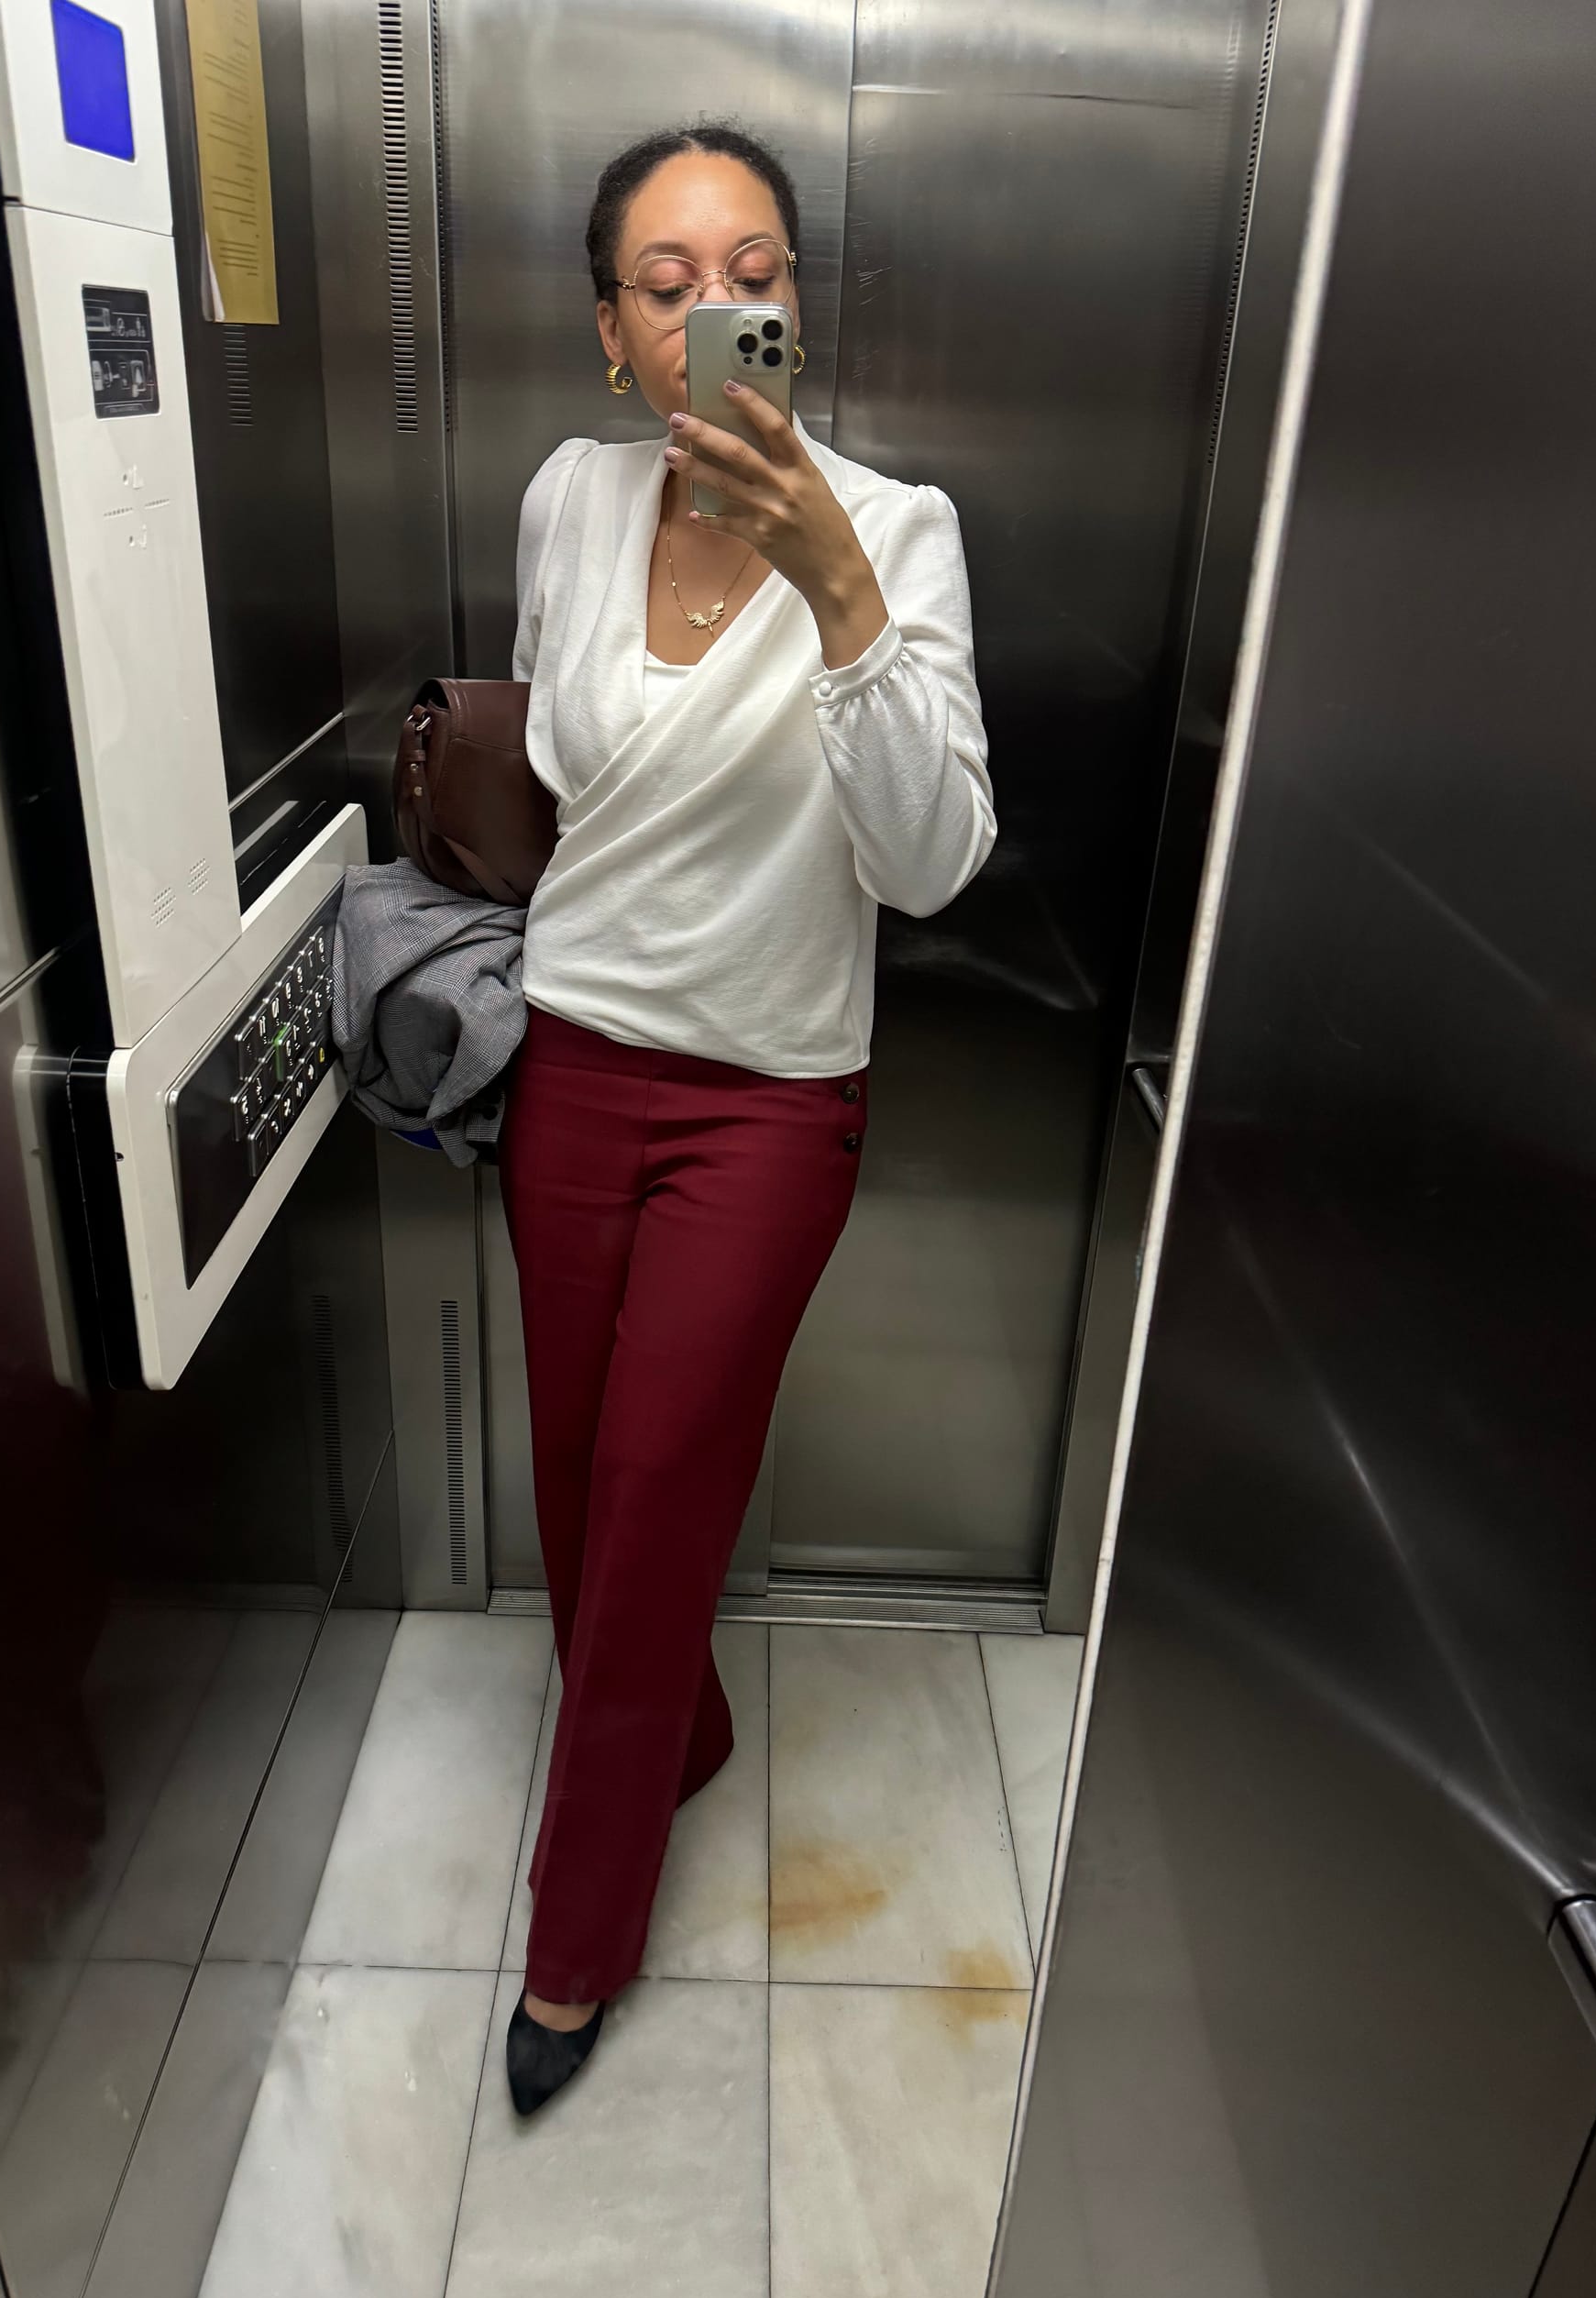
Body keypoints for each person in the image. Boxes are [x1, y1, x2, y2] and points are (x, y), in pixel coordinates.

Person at [500, 119, 995, 2114]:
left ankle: (576, 1938)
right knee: (570, 1486)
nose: (719, 307)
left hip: (771, 1099)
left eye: (755, 272)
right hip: (569, 1063)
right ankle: (680, 1736)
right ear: (613, 332)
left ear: (798, 304)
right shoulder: (566, 498)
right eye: (669, 281)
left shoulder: (898, 527)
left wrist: (839, 590)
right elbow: (557, 754)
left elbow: (932, 861)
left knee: (654, 1498)